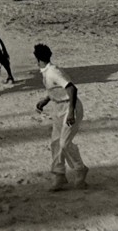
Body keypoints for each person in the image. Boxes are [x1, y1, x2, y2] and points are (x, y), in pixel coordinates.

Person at [33, 43, 89, 191]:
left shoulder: (53, 71)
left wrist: (71, 112)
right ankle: (59, 175)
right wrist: (45, 100)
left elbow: (71, 88)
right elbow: (55, 89)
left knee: (64, 143)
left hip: (70, 107)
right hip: (58, 107)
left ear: (38, 59)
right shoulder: (47, 71)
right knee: (55, 142)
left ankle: (80, 169)